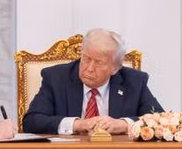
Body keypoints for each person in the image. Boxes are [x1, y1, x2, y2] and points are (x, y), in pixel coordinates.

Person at [22, 28, 163, 135]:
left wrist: (124, 124)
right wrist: (77, 124)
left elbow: (160, 120)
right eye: (86, 58)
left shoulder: (134, 81)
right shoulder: (55, 78)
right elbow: (31, 121)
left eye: (99, 63)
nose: (89, 68)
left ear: (115, 68)